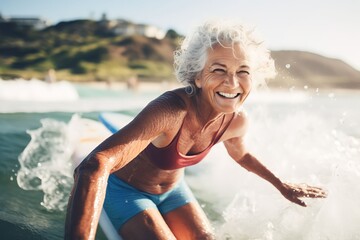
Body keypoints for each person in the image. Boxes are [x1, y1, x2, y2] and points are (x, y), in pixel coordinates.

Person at [65, 20, 327, 240]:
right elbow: (93, 165)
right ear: (197, 76)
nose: (232, 82)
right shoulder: (170, 112)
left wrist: (281, 185)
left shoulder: (235, 121)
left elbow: (241, 154)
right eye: (218, 69)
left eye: (243, 71)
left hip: (174, 191)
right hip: (127, 190)